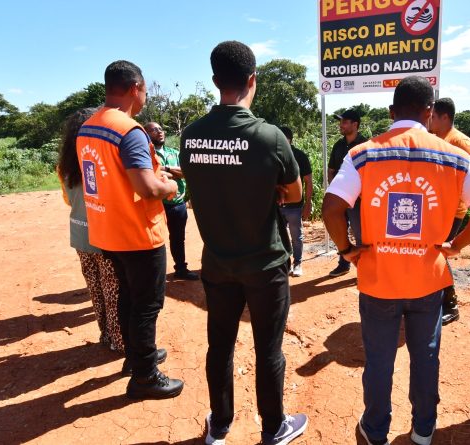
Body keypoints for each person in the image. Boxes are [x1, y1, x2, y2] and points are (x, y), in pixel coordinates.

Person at [322, 76, 470, 445]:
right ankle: (423, 428)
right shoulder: (453, 156)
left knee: (379, 360)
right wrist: (456, 245)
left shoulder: (363, 153)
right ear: (430, 112)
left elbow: (331, 208)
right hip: (427, 280)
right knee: (426, 357)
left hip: (378, 280)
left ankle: (375, 430)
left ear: (391, 112)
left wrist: (346, 249)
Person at [179, 40, 308, 445]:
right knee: (268, 348)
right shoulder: (269, 137)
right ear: (253, 80)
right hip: (265, 263)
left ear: (215, 80)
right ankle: (273, 428)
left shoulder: (192, 136)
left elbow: (197, 187)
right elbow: (296, 194)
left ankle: (219, 424)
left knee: (220, 345)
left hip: (217, 263)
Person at [76, 60, 183, 400]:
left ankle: (136, 360)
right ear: (135, 88)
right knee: (147, 306)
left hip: (106, 231)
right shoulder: (128, 130)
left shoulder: (88, 127)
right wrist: (167, 186)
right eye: (146, 91)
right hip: (137, 233)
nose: (146, 98)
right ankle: (145, 377)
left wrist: (154, 171)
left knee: (126, 297)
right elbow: (148, 188)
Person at [57, 107, 124, 353]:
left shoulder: (64, 166)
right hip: (104, 236)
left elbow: (67, 200)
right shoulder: (98, 160)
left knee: (96, 289)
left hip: (79, 234)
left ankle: (105, 335)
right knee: (114, 290)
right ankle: (120, 341)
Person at [428, 97, 470, 326]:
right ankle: (438, 298)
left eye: (434, 116)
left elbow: (468, 179)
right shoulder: (437, 139)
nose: (430, 120)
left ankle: (451, 304)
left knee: (440, 253)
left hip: (452, 211)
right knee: (434, 252)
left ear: (445, 117)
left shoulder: (461, 142)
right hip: (437, 208)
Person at [144, 121, 200, 281]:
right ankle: (153, 276)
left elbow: (186, 172)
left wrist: (165, 169)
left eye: (160, 128)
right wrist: (169, 171)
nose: (159, 131)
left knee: (178, 238)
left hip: (178, 204)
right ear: (146, 134)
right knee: (154, 239)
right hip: (157, 204)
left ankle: (181, 269)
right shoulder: (146, 154)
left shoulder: (174, 152)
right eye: (154, 130)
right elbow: (152, 175)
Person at [326, 108, 367, 277]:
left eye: (344, 122)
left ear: (354, 124)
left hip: (359, 201)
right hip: (340, 200)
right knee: (340, 231)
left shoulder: (365, 145)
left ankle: (365, 269)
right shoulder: (339, 145)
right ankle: (343, 264)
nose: (340, 125)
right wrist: (335, 193)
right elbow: (331, 169)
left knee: (361, 236)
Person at [278, 126, 313, 277]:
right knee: (278, 236)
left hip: (295, 207)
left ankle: (297, 263)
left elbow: (308, 181)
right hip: (277, 205)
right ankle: (283, 264)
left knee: (296, 236)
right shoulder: (274, 155)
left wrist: (308, 204)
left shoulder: (300, 156)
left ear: (289, 140)